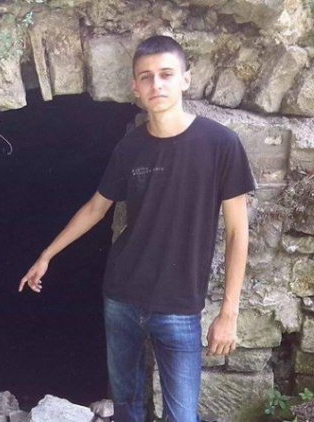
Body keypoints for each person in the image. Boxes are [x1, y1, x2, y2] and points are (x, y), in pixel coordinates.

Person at [18, 35, 255, 422]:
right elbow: (96, 207)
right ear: (135, 87)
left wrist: (229, 313)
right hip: (122, 298)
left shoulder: (221, 144)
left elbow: (237, 233)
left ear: (185, 79)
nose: (156, 84)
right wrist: (47, 254)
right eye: (146, 77)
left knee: (183, 416)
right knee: (126, 407)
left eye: (166, 74)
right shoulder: (131, 147)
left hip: (180, 307)